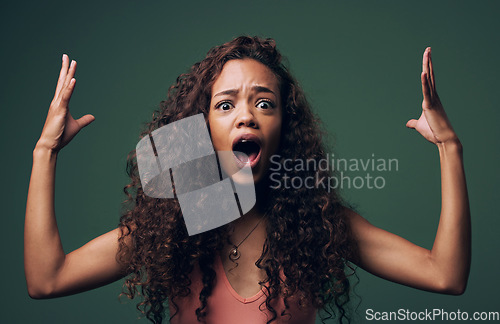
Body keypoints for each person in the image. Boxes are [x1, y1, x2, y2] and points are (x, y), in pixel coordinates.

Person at [24, 36, 471, 324]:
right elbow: (47, 279)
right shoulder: (176, 223)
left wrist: (450, 148)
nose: (245, 115)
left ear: (284, 128)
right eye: (225, 105)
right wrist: (45, 152)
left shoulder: (317, 225)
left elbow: (445, 275)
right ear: (201, 130)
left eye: (264, 104)